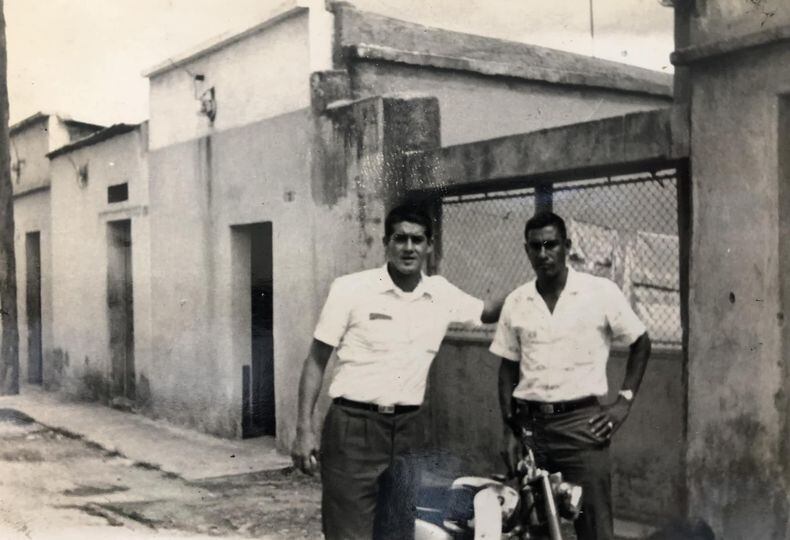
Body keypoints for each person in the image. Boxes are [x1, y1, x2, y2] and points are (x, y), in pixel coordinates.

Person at [292, 203, 502, 540]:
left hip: (408, 432)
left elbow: (488, 312)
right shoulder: (350, 289)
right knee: (349, 534)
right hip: (353, 430)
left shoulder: (441, 293)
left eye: (417, 240)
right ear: (386, 243)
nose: (408, 247)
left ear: (429, 246)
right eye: (400, 238)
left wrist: (537, 286)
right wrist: (304, 429)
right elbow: (316, 360)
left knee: (397, 533)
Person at [490, 211, 651, 540]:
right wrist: (510, 429)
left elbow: (641, 342)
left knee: (593, 526)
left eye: (551, 245)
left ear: (567, 246)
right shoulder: (517, 301)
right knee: (536, 528)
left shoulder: (599, 292)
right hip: (531, 428)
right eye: (535, 246)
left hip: (581, 426)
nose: (543, 253)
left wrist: (623, 402)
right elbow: (507, 368)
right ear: (526, 250)